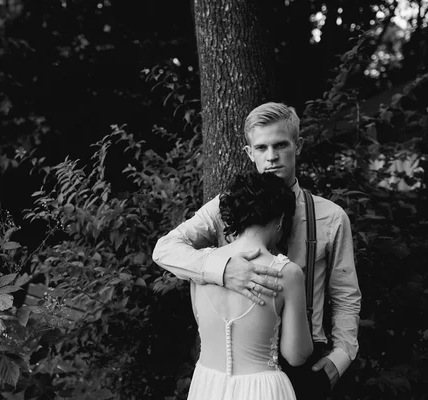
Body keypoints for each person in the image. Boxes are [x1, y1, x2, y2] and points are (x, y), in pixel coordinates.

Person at [152, 102, 361, 400]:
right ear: (250, 153)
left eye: (280, 145)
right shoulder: (225, 208)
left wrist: (341, 357)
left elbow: (346, 296)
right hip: (237, 368)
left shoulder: (331, 217)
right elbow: (165, 249)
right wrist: (224, 270)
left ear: (297, 146)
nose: (272, 157)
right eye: (261, 148)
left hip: (307, 364)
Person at [187, 171, 312, 400]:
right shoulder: (286, 273)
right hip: (263, 390)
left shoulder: (201, 266)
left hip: (207, 386)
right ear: (282, 219)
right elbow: (296, 354)